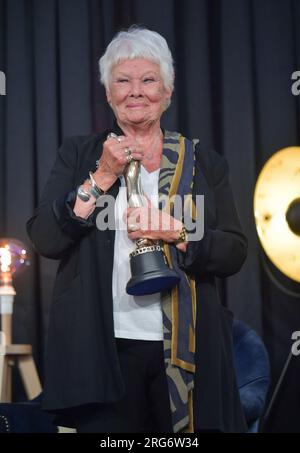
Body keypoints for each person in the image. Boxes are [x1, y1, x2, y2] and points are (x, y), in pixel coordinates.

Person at [27, 26, 248, 433]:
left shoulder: (204, 162)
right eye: (122, 81)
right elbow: (46, 238)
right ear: (108, 92)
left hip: (188, 352)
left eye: (148, 80)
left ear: (168, 89)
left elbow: (234, 251)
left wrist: (178, 232)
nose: (135, 91)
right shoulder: (79, 154)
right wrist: (101, 176)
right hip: (104, 351)